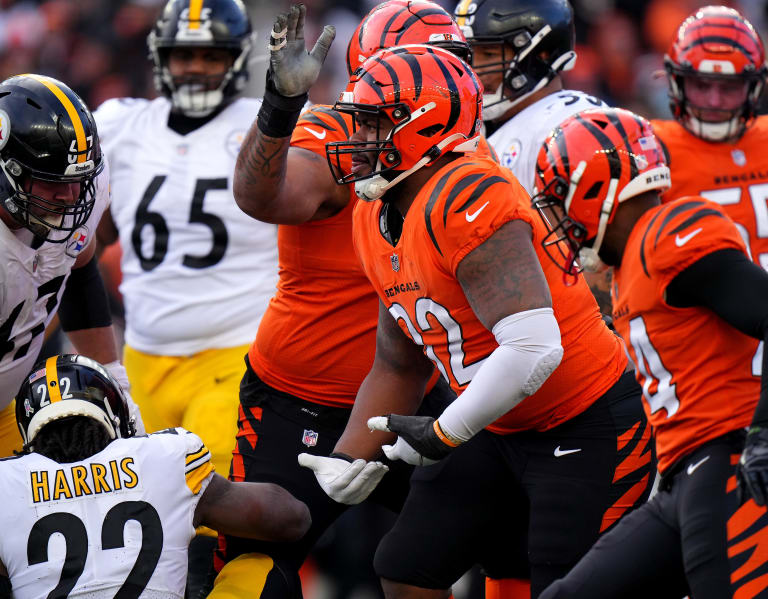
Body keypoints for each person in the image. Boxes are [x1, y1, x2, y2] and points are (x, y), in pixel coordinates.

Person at [323, 44, 654, 599]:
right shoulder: (373, 210)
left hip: (583, 418)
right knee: (406, 564)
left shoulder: (468, 194)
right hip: (495, 421)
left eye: (375, 122)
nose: (357, 139)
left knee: (566, 586)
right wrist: (346, 457)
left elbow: (533, 347)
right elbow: (398, 360)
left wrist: (443, 431)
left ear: (422, 125)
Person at [212, 2, 479, 597]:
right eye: (420, 69)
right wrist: (280, 109)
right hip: (305, 398)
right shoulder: (338, 138)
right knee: (257, 566)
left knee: (464, 543)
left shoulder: (467, 149)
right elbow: (264, 196)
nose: (439, 88)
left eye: (451, 66)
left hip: (421, 386)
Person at [530, 107, 768, 599]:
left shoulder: (670, 231)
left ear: (593, 191)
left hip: (730, 462)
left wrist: (763, 436)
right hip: (684, 476)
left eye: (557, 201)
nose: (556, 220)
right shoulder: (630, 263)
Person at [95, 0, 278, 484]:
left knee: (214, 505)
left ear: (235, 59)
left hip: (235, 349)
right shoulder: (120, 125)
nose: (195, 68)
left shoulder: (266, 125)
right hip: (141, 357)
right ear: (161, 58)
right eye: (183, 55)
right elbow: (92, 238)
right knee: (144, 506)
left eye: (211, 56)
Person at [0, 354, 310, 599]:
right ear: (115, 413)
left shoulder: (6, 483)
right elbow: (291, 521)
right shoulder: (166, 456)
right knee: (261, 568)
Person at [0, 73, 142, 459]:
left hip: (7, 409)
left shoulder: (80, 190)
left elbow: (79, 264)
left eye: (79, 180)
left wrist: (114, 374)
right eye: (50, 183)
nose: (70, 197)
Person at [454, 0, 615, 315]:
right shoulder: (486, 129)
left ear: (540, 54)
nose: (472, 71)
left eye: (487, 54)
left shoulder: (571, 123)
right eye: (469, 56)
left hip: (568, 326)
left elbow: (603, 256)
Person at [652, 6, 768, 272]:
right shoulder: (651, 148)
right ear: (677, 82)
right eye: (701, 85)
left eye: (729, 87)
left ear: (753, 87)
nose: (714, 101)